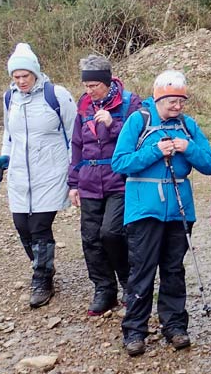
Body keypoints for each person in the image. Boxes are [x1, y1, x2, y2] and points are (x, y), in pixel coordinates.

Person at [111, 69, 211, 357]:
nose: (178, 106)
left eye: (181, 101)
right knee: (142, 271)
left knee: (173, 270)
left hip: (180, 211)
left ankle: (175, 326)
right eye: (172, 101)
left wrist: (188, 148)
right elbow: (119, 163)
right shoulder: (138, 120)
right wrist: (156, 151)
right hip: (143, 210)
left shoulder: (188, 126)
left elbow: (209, 163)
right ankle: (134, 330)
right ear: (158, 98)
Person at [0, 42, 76, 308]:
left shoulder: (57, 95)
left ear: (36, 73)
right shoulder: (10, 98)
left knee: (40, 227)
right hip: (20, 174)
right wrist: (5, 155)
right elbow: (10, 134)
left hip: (51, 172)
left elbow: (74, 134)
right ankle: (44, 265)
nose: (20, 81)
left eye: (25, 76)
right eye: (16, 77)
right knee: (22, 227)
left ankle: (41, 279)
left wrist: (73, 169)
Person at [68, 55, 142, 316]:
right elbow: (77, 145)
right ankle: (103, 289)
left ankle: (127, 283)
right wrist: (73, 182)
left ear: (108, 81)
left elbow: (140, 137)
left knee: (111, 233)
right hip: (88, 179)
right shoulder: (84, 105)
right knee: (90, 238)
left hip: (119, 180)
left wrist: (113, 125)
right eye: (86, 86)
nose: (90, 91)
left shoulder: (130, 102)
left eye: (95, 86)